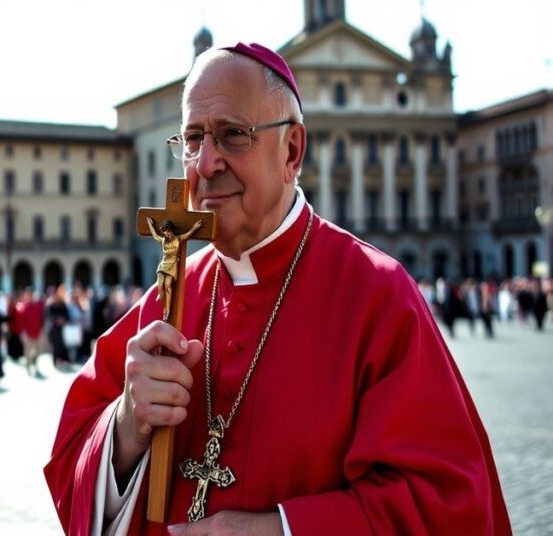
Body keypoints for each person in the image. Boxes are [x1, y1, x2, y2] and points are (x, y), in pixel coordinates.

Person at [45, 43, 510, 535]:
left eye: (232, 135)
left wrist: (282, 530)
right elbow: (72, 455)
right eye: (192, 139)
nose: (205, 163)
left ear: (292, 151)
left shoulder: (378, 295)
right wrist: (126, 427)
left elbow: (447, 503)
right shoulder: (169, 296)